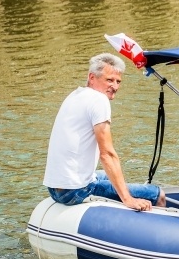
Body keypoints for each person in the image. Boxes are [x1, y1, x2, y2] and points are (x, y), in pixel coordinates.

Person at [43, 53, 165, 211]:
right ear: (92, 77)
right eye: (109, 80)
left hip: (55, 189)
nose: (115, 86)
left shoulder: (75, 95)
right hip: (75, 191)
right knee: (158, 194)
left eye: (118, 81)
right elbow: (107, 154)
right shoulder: (99, 100)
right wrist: (128, 199)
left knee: (108, 176)